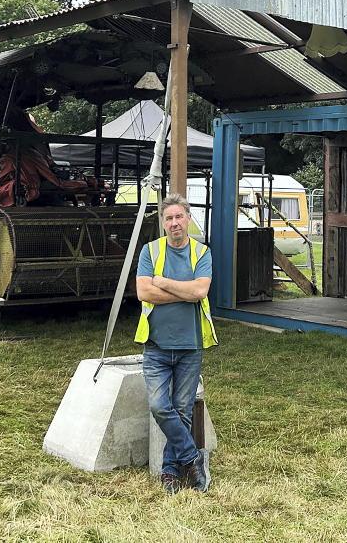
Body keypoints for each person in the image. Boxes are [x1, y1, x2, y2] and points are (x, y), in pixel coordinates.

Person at [135, 193, 219, 494]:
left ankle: (170, 472)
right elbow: (144, 292)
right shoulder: (150, 251)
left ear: (188, 218)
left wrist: (165, 283)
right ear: (163, 223)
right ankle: (193, 458)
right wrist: (182, 291)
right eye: (168, 218)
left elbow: (200, 291)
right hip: (156, 345)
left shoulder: (202, 252)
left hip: (190, 345)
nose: (174, 223)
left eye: (179, 217)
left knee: (182, 410)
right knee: (160, 406)